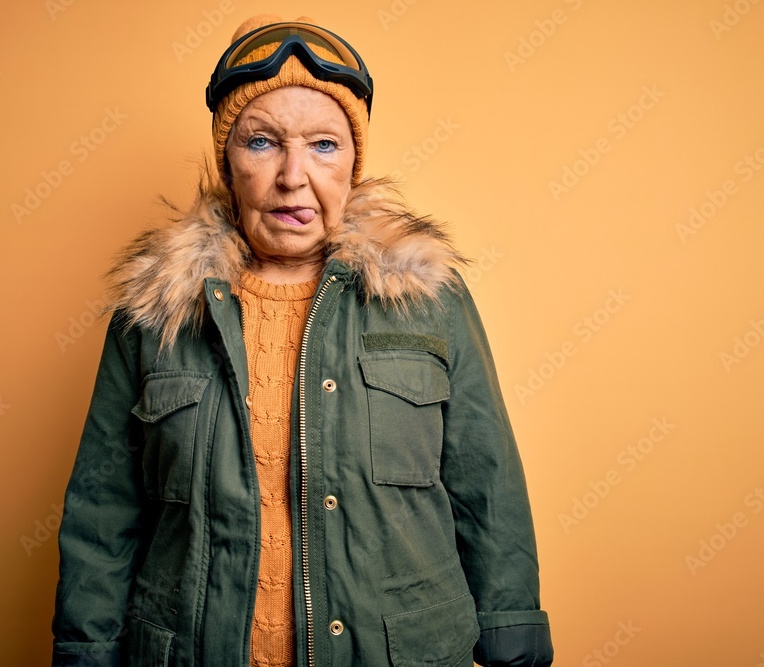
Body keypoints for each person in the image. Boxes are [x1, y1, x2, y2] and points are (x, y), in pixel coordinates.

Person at [52, 14, 554, 667]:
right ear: (227, 161)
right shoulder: (155, 314)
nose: (294, 176)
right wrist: (86, 653)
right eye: (262, 143)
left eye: (323, 144)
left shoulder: (429, 299)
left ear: (353, 161)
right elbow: (101, 511)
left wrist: (514, 641)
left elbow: (488, 486)